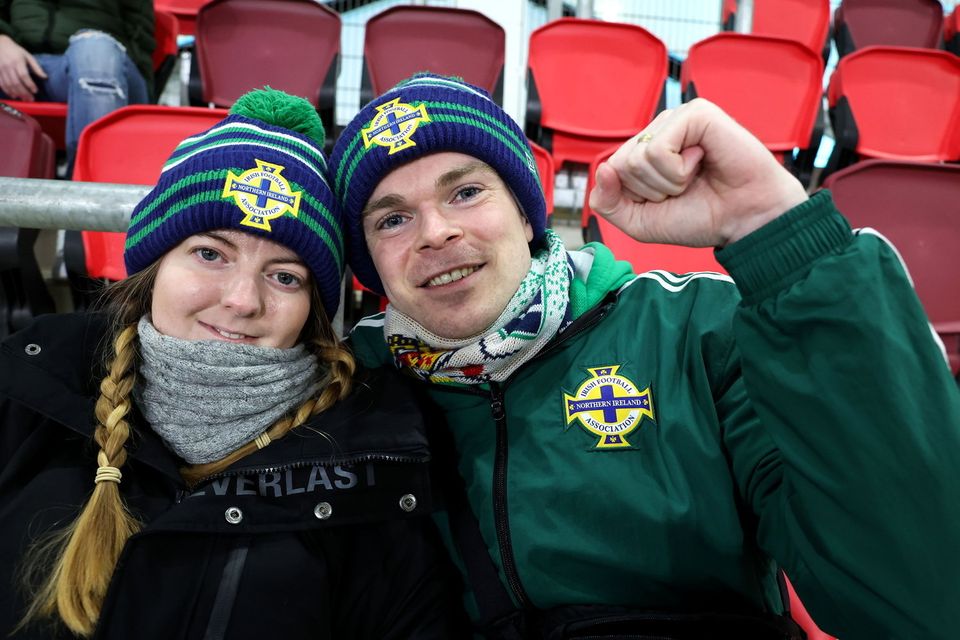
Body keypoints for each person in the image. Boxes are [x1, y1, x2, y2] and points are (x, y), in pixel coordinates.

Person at [331, 73, 960, 639]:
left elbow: (919, 599)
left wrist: (779, 234)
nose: (436, 231)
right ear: (370, 269)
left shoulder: (695, 331)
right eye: (391, 221)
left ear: (527, 215)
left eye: (465, 192)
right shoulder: (347, 384)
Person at [0, 88, 467, 639]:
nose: (243, 300)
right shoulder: (28, 388)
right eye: (210, 254)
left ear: (311, 313)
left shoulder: (374, 461)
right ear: (155, 265)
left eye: (285, 275)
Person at [0, 0, 153, 174]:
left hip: (104, 63)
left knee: (95, 51)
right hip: (22, 61)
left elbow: (140, 38)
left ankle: (88, 190)